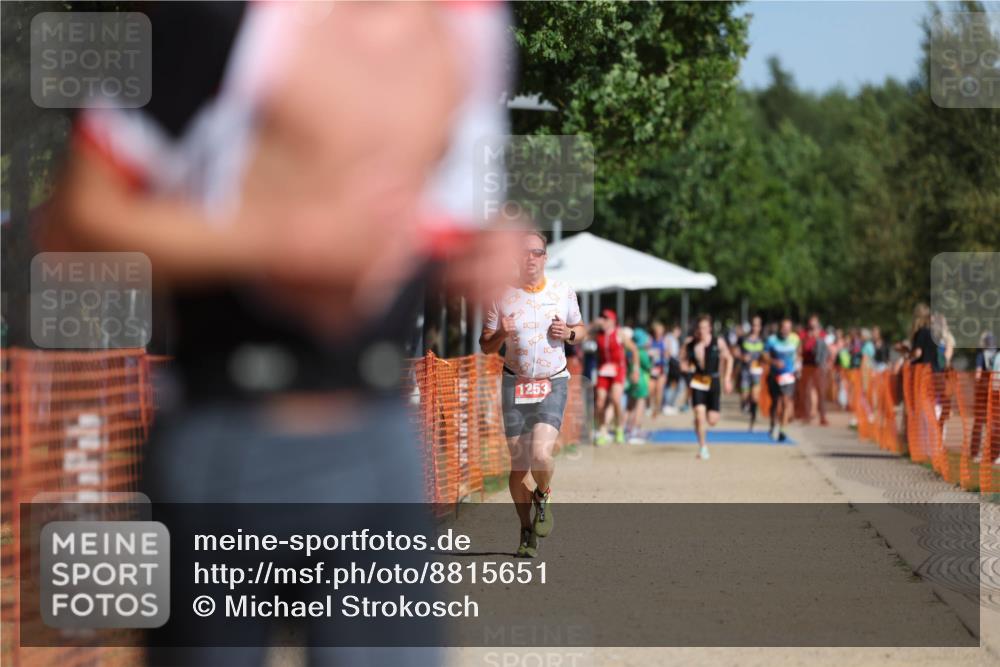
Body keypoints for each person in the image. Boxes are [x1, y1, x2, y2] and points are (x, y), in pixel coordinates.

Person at [44, 3, 513, 665]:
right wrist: (273, 241)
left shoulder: (474, 25)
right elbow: (71, 223)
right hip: (227, 441)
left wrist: (476, 255)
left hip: (380, 441)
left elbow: (435, 219)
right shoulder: (213, 17)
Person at [480, 230, 585, 558]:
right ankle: (526, 530)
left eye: (537, 252)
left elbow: (580, 330)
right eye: (524, 253)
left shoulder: (562, 291)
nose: (530, 258)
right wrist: (501, 332)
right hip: (515, 382)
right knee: (518, 465)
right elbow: (485, 346)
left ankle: (544, 493)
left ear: (545, 257)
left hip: (553, 380)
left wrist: (568, 333)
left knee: (541, 454)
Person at [681, 314, 734, 460]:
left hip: (714, 381)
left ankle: (701, 423)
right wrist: (685, 369)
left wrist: (727, 379)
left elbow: (729, 358)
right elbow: (682, 361)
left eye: (705, 328)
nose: (702, 331)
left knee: (712, 420)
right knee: (699, 414)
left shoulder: (719, 342)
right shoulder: (690, 344)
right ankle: (703, 447)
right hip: (697, 381)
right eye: (699, 328)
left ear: (710, 328)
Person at [594, 309, 628, 445]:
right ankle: (602, 431)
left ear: (613, 321)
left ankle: (619, 427)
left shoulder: (619, 333)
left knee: (615, 399)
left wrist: (636, 368)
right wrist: (593, 324)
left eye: (606, 318)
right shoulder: (598, 334)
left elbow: (634, 350)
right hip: (603, 370)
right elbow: (581, 335)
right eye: (602, 318)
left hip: (618, 369)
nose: (603, 321)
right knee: (600, 402)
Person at [764, 317, 801, 442]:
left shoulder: (795, 339)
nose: (785, 330)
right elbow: (764, 355)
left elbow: (798, 353)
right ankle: (773, 424)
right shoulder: (772, 340)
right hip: (774, 375)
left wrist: (798, 365)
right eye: (783, 328)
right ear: (779, 328)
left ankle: (782, 430)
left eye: (788, 328)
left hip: (789, 375)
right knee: (776, 403)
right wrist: (773, 362)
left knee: (786, 402)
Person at [800, 314, 830, 426]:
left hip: (819, 366)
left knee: (821, 392)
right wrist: (809, 337)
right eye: (811, 323)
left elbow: (825, 348)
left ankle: (823, 416)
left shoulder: (822, 334)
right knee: (807, 391)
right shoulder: (804, 334)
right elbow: (804, 347)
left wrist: (817, 338)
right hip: (807, 365)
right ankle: (807, 415)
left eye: (815, 323)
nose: (813, 325)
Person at [625, 327, 653, 444]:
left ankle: (625, 429)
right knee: (640, 406)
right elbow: (648, 366)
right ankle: (635, 431)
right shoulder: (641, 352)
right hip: (641, 381)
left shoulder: (629, 351)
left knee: (630, 406)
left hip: (631, 379)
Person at [738, 315, 765, 431]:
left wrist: (764, 360)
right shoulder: (743, 339)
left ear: (760, 327)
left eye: (758, 325)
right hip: (745, 371)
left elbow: (767, 354)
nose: (755, 327)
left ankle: (752, 420)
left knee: (755, 397)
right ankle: (744, 403)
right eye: (753, 325)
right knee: (745, 396)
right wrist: (742, 356)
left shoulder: (763, 340)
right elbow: (734, 350)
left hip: (757, 372)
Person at [648, 320, 669, 417]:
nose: (659, 332)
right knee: (650, 389)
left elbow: (668, 355)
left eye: (660, 330)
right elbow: (646, 351)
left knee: (659, 389)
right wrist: (650, 353)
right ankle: (650, 406)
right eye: (657, 330)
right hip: (652, 367)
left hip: (661, 368)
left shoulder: (665, 341)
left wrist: (664, 353)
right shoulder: (650, 340)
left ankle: (657, 408)